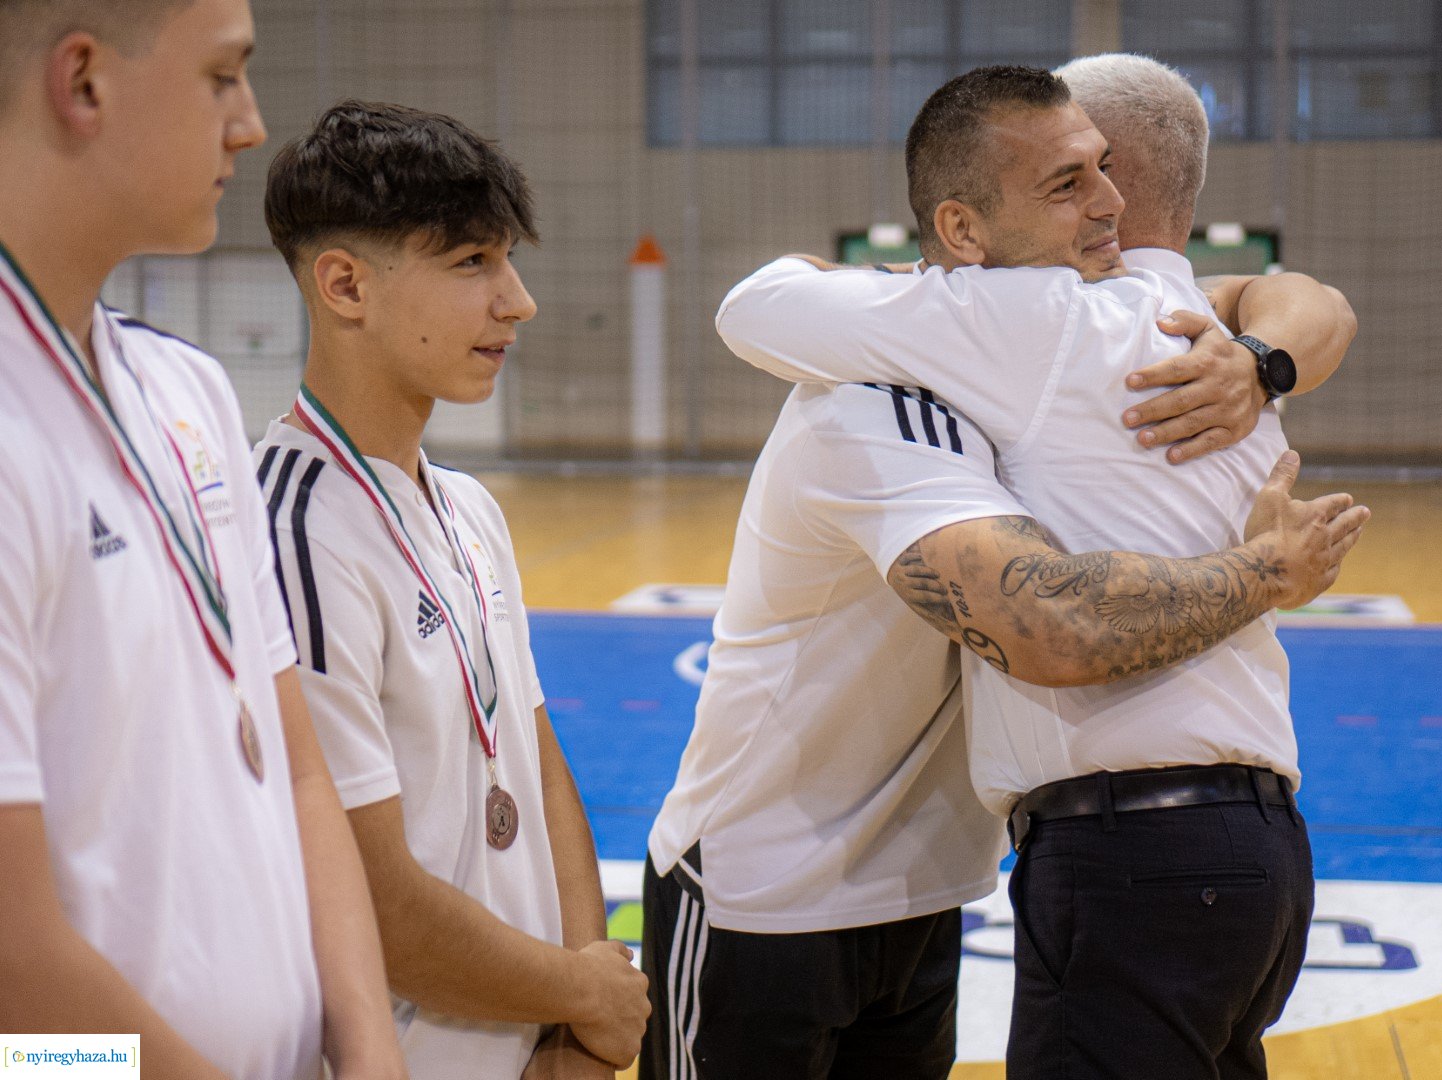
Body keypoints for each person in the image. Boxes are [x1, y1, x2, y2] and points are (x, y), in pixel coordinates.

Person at [643, 67, 1366, 1080]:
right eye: (1068, 183)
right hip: (773, 891)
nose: (1103, 202)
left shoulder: (1153, 334)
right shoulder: (916, 378)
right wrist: (1266, 567)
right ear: (965, 233)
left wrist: (1266, 354)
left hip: (946, 885)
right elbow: (1051, 629)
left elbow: (767, 296)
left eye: (1106, 172)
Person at [0, 3, 404, 1078]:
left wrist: (368, 1047)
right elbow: (11, 970)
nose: (249, 123)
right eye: (224, 77)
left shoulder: (189, 391)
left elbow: (295, 765)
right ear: (83, 82)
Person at [252, 100, 649, 1080]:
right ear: (346, 286)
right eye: (473, 263)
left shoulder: (469, 507)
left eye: (508, 260)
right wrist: (583, 993)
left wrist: (574, 1035)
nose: (517, 300)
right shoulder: (292, 529)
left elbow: (538, 763)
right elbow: (370, 899)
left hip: (529, 1040)